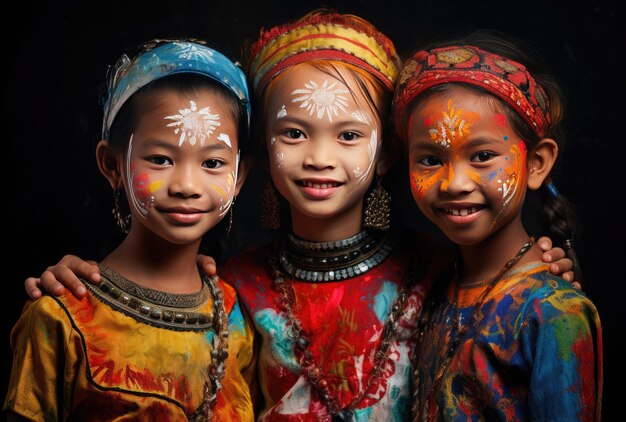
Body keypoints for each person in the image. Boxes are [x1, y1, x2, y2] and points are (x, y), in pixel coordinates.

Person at [20, 11, 577, 421]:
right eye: (293, 132)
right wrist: (80, 287)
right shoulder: (233, 288)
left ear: (386, 154)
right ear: (259, 154)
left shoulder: (437, 274)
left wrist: (542, 259)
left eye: (350, 135)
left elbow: (502, 287)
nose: (319, 156)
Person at [4, 39, 256, 421]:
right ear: (112, 164)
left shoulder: (237, 319)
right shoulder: (60, 316)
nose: (187, 184)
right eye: (160, 159)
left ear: (240, 176)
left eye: (213, 163)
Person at [392, 30, 603, 420]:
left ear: (536, 163)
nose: (454, 182)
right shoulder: (431, 284)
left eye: (483, 156)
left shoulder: (555, 312)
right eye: (429, 160)